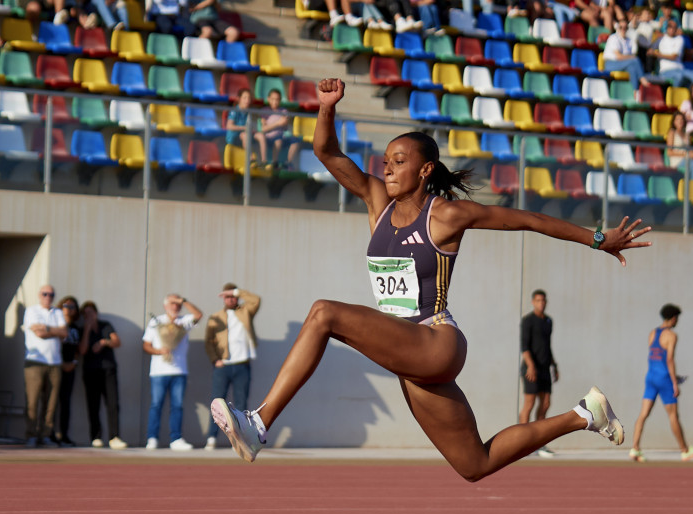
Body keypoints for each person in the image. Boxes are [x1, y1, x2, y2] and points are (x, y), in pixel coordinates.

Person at [210, 78, 652, 479]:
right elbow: (327, 152)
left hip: (435, 341)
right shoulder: (376, 201)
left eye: (399, 161)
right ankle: (584, 414)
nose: (387, 168)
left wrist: (599, 239)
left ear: (425, 170)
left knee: (324, 314)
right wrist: (326, 109)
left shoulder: (444, 215)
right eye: (386, 161)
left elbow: (528, 220)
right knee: (474, 464)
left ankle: (259, 422)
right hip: (408, 352)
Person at [629, 304, 693, 462]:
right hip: (664, 380)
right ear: (674, 318)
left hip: (650, 377)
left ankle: (634, 448)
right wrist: (675, 382)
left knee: (643, 414)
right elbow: (669, 359)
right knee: (673, 416)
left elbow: (656, 358)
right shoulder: (672, 336)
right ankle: (685, 451)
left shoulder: (652, 333)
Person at [204, 284, 260, 451]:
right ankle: (212, 437)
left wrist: (237, 292)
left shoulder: (245, 312)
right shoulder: (215, 317)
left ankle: (240, 439)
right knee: (217, 403)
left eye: (233, 296)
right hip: (223, 366)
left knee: (241, 404)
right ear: (224, 299)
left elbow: (256, 300)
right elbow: (209, 342)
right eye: (228, 296)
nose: (231, 299)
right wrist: (215, 359)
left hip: (242, 365)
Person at [142, 293, 202, 451]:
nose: (175, 306)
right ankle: (152, 438)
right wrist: (159, 351)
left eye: (178, 304)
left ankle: (176, 439)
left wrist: (184, 300)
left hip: (179, 371)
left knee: (177, 406)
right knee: (156, 405)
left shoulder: (184, 321)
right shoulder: (156, 322)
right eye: (172, 303)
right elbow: (146, 345)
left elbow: (198, 315)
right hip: (158, 372)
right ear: (165, 305)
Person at [22, 284, 68, 448]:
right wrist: (54, 331)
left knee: (51, 403)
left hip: (55, 363)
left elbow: (64, 333)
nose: (48, 297)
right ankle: (31, 435)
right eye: (45, 294)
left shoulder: (57, 312)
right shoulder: (31, 311)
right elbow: (39, 334)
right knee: (33, 401)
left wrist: (46, 328)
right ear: (39, 295)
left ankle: (46, 435)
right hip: (35, 362)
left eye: (51, 294)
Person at [78, 301, 126, 449]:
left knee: (113, 403)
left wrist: (104, 342)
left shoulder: (106, 325)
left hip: (108, 370)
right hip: (91, 371)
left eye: (91, 312)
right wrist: (87, 329)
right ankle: (96, 437)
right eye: (86, 314)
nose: (89, 316)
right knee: (93, 404)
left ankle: (114, 437)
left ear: (96, 313)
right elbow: (82, 350)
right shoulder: (81, 329)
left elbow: (117, 342)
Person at [518, 289, 558, 458]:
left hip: (544, 368)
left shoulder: (548, 321)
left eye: (543, 300)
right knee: (529, 403)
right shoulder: (528, 321)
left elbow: (547, 346)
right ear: (533, 302)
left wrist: (554, 365)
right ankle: (521, 443)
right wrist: (531, 366)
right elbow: (524, 347)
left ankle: (539, 444)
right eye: (538, 300)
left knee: (546, 403)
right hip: (531, 369)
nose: (541, 303)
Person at [54, 295, 81, 446]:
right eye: (66, 306)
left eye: (72, 307)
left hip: (71, 368)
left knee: (66, 402)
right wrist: (61, 363)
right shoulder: (56, 325)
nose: (69, 310)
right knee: (52, 402)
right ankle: (50, 434)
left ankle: (64, 435)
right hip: (56, 366)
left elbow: (78, 350)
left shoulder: (76, 328)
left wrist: (74, 363)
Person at [651, 19, 693, 88]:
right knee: (679, 77)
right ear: (667, 28)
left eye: (674, 27)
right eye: (670, 27)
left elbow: (674, 56)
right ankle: (675, 96)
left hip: (680, 69)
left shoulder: (680, 39)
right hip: (665, 71)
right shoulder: (660, 39)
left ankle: (688, 97)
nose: (672, 29)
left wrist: (657, 54)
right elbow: (650, 51)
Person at [226, 89, 269, 169]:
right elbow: (229, 126)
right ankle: (251, 159)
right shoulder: (235, 111)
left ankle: (264, 161)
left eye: (249, 98)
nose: (247, 100)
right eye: (244, 98)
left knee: (260, 136)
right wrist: (244, 128)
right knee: (244, 135)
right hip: (234, 137)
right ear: (239, 99)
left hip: (246, 135)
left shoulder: (249, 112)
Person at [261, 89, 301, 170]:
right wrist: (278, 123)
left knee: (296, 140)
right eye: (273, 99)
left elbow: (285, 128)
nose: (275, 102)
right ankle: (274, 163)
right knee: (278, 141)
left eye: (277, 99)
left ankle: (288, 162)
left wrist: (284, 123)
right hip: (269, 138)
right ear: (268, 99)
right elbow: (264, 129)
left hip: (282, 137)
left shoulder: (283, 111)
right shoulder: (265, 110)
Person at [603, 19, 645, 90]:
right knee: (635, 60)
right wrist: (632, 57)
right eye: (621, 27)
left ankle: (635, 92)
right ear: (617, 28)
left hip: (622, 64)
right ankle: (642, 79)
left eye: (625, 28)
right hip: (610, 64)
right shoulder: (614, 38)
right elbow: (619, 57)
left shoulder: (629, 40)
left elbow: (630, 55)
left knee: (632, 68)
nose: (623, 29)